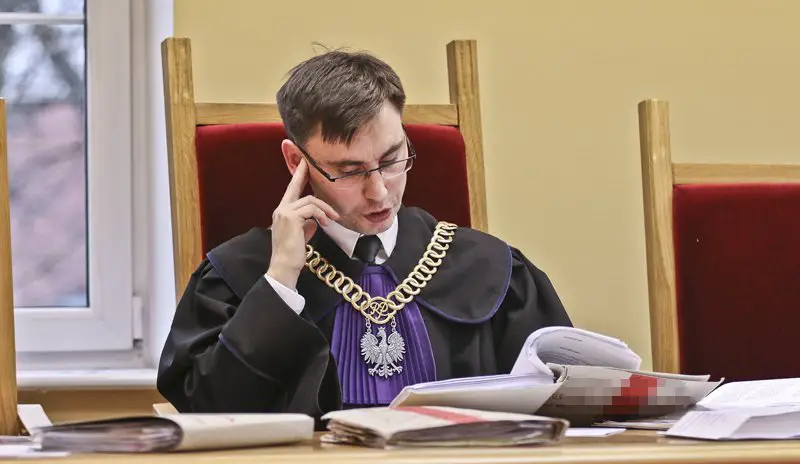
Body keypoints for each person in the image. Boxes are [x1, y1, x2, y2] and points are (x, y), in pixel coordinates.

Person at [157, 48, 572, 428]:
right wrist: (280, 279)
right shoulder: (238, 273)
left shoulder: (490, 268)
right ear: (296, 161)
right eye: (350, 171)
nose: (379, 192)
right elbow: (207, 414)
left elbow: (564, 402)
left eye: (392, 160)